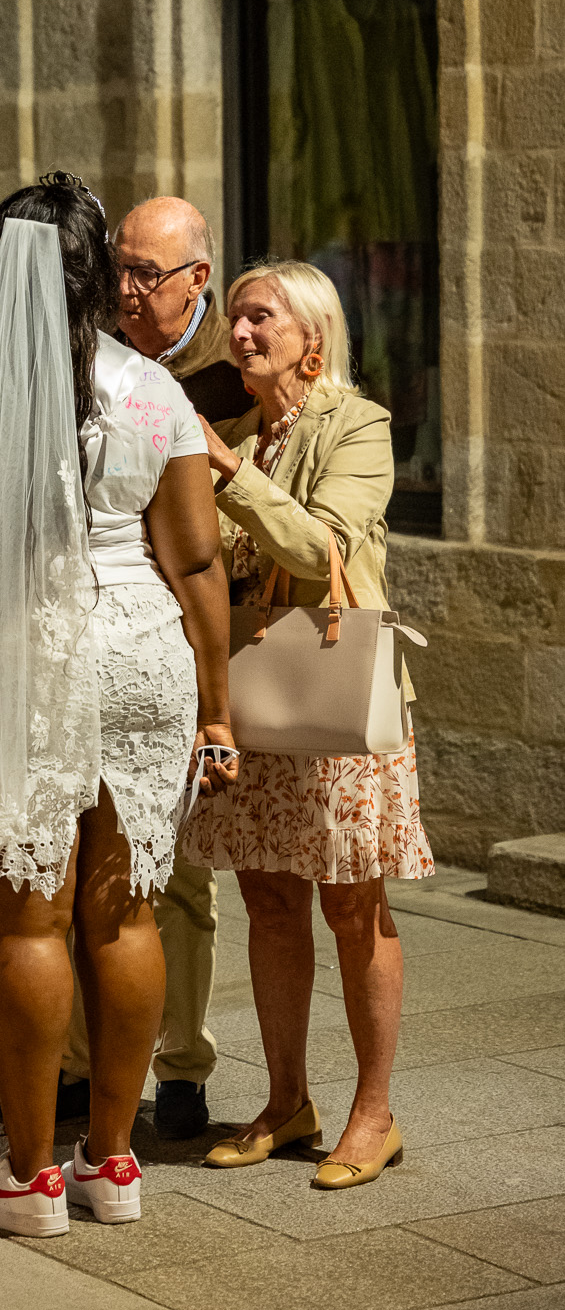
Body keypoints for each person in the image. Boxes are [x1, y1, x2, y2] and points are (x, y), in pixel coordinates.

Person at [0, 174, 236, 1236]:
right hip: (136, 652)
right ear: (95, 277)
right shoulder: (151, 392)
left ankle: (28, 1178)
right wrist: (215, 704)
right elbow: (196, 556)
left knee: (28, 915)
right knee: (122, 910)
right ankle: (112, 1163)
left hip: (21, 653)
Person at [182, 259, 432, 1191]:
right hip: (249, 691)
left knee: (351, 904)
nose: (239, 334)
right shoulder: (239, 427)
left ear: (310, 340)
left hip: (333, 691)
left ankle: (374, 1114)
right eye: (235, 320)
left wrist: (222, 469)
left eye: (259, 319)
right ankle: (286, 1099)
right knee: (268, 899)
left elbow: (318, 544)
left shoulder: (357, 426)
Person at [60, 197, 254, 1143]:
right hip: (84, 644)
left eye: (148, 275)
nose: (127, 291)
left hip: (180, 654)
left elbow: (200, 554)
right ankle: (74, 1062)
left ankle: (179, 1067)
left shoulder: (224, 380)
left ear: (196, 281)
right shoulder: (79, 356)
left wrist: (214, 707)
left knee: (170, 879)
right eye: (119, 269)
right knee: (64, 873)